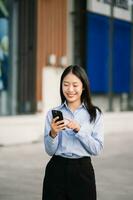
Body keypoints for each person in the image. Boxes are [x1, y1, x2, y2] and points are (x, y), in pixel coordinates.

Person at [42, 65, 104, 200]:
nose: (70, 89)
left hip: (83, 171)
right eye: (66, 85)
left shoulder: (94, 114)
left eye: (75, 85)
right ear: (61, 86)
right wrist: (53, 133)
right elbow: (49, 151)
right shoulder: (52, 114)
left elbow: (97, 149)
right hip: (56, 170)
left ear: (83, 87)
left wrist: (79, 129)